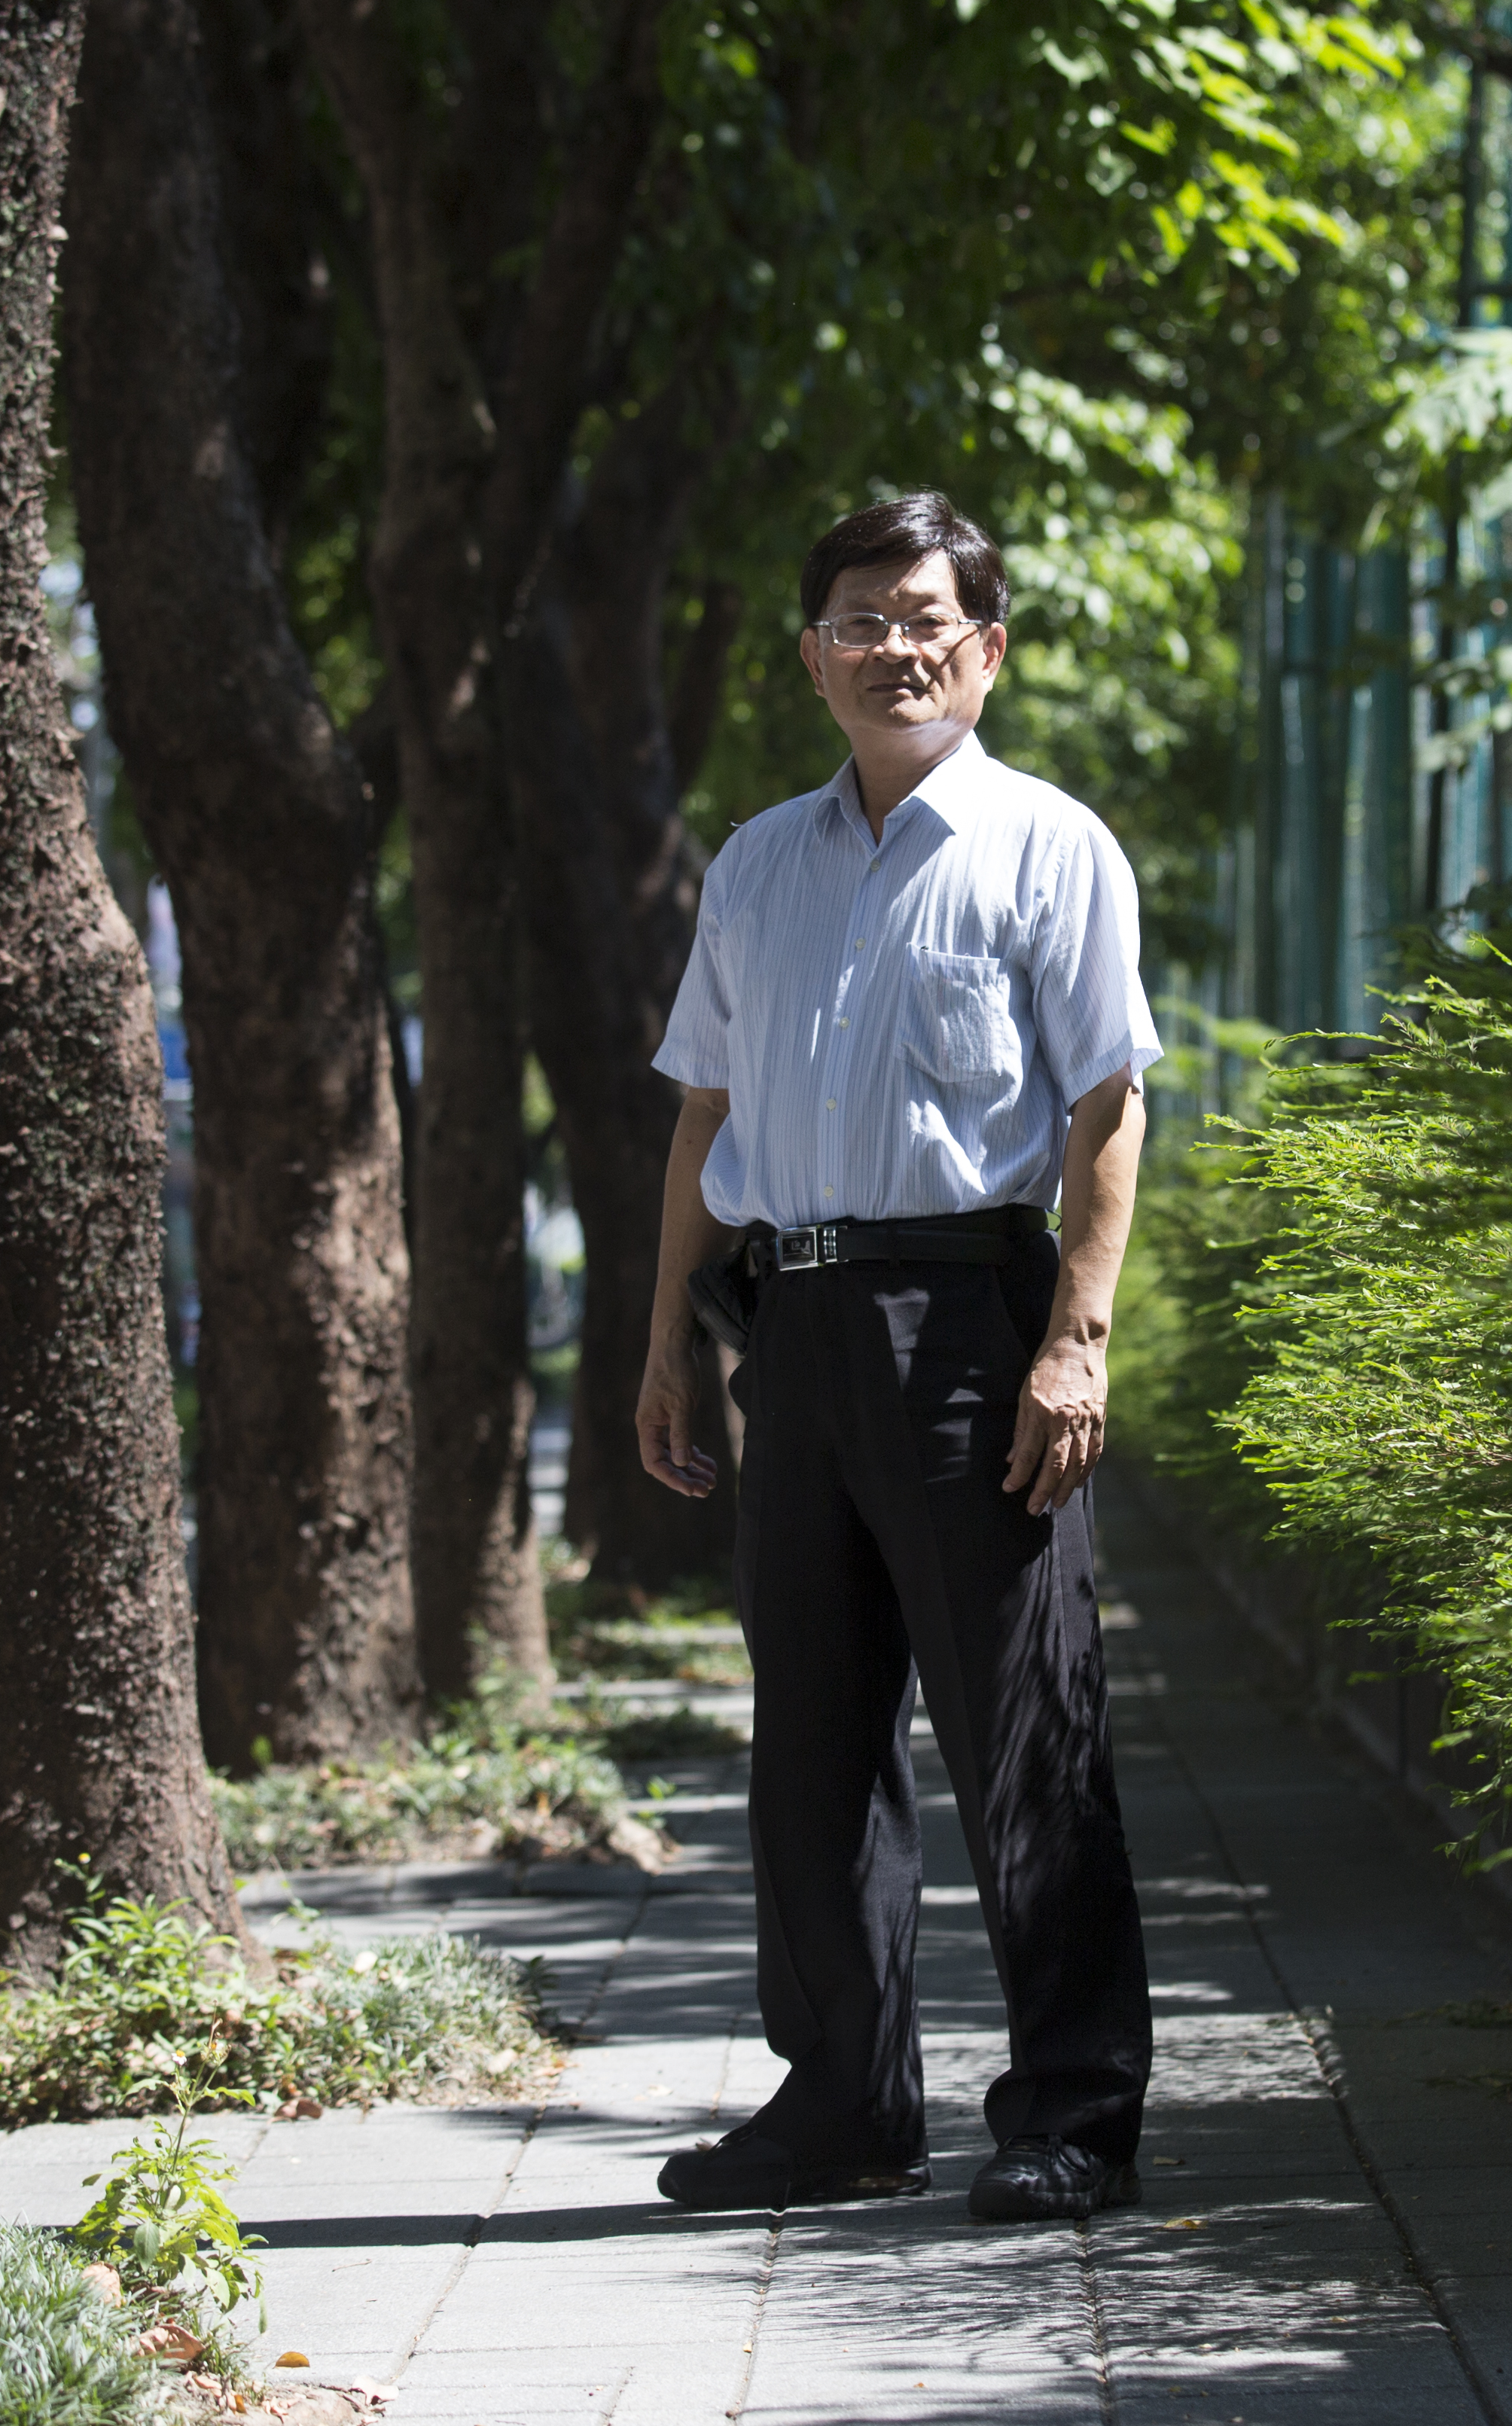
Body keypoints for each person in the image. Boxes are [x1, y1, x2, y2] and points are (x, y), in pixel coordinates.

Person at [636, 491, 1160, 2227]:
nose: (895, 646)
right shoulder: (758, 864)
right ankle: (842, 2103)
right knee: (815, 1737)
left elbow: (1106, 1104)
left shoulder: (1049, 846)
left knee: (1021, 1730)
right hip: (792, 1327)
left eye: (928, 617)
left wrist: (1075, 1343)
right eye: (860, 618)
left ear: (988, 650)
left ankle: (1075, 2109)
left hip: (970, 1323)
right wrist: (665, 1347)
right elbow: (706, 1112)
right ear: (813, 654)